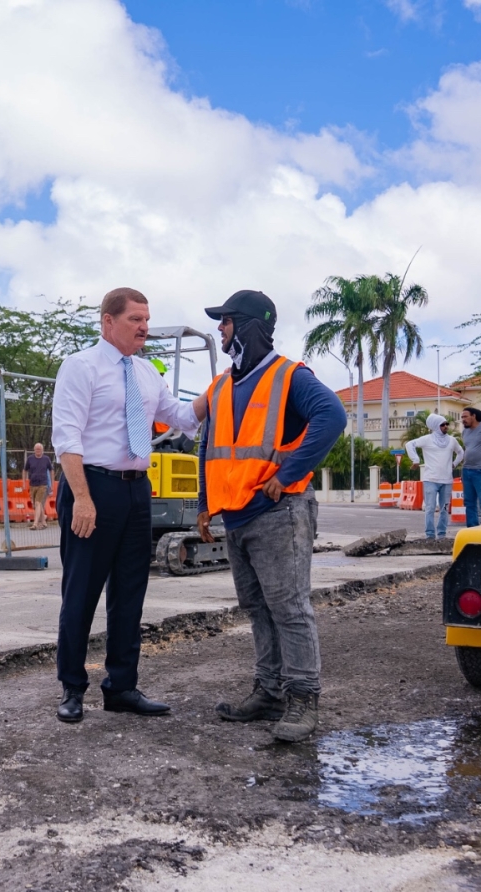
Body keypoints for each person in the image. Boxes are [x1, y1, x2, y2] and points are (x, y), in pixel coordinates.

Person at [51, 287, 209, 723]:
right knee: (81, 593)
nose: (144, 327)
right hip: (93, 489)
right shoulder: (80, 367)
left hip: (138, 490)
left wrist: (218, 390)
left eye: (147, 319)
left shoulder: (146, 372)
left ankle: (122, 686)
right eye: (135, 319)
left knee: (130, 594)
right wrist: (81, 498)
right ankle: (72, 689)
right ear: (108, 321)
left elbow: (180, 417)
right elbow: (67, 437)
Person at [195, 290, 346, 743]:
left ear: (246, 325)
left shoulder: (289, 376)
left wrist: (292, 471)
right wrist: (204, 502)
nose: (220, 329)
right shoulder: (222, 384)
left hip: (280, 512)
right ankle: (269, 692)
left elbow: (331, 415)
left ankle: (303, 698)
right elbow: (208, 446)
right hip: (237, 515)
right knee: (257, 607)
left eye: (225, 321)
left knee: (290, 608)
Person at [404, 414, 465, 540]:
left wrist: (454, 464)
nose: (445, 427)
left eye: (446, 424)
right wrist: (415, 460)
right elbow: (409, 444)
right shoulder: (427, 439)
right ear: (435, 426)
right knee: (430, 508)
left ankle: (441, 534)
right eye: (442, 425)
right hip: (430, 479)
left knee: (444, 509)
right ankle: (430, 535)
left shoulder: (452, 440)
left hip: (447, 480)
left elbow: (461, 452)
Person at [23, 443, 53, 530]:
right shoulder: (30, 459)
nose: (38, 451)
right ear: (34, 450)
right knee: (36, 504)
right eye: (36, 449)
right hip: (33, 484)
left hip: (43, 484)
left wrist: (51, 484)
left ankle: (35, 523)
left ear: (42, 450)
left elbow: (51, 471)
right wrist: (24, 483)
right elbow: (25, 470)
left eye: (39, 449)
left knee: (38, 503)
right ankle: (44, 522)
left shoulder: (46, 459)